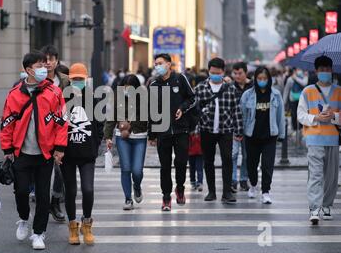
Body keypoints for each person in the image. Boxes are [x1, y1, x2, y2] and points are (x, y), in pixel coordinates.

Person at [0, 52, 68, 250]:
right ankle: (23, 218)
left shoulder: (54, 92)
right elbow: (7, 123)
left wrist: (60, 148)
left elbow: (61, 122)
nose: (44, 68)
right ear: (28, 70)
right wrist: (7, 148)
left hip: (44, 154)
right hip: (21, 153)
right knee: (21, 191)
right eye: (39, 65)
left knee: (42, 195)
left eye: (44, 65)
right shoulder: (15, 94)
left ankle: (39, 233)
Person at [61, 63, 103, 245]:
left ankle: (87, 224)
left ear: (86, 79)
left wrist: (96, 143)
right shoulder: (62, 99)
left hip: (87, 154)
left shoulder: (94, 99)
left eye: (80, 79)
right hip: (67, 154)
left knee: (88, 189)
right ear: (69, 79)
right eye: (74, 78)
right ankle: (72, 227)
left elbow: (101, 124)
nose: (77, 81)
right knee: (70, 191)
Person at [148, 54, 196, 211]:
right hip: (162, 132)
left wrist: (182, 109)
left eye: (160, 63)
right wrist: (152, 135)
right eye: (156, 64)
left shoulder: (180, 79)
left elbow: (192, 99)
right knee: (165, 166)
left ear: (169, 64)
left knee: (181, 162)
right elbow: (151, 111)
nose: (158, 66)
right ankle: (166, 196)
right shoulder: (154, 85)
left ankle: (180, 188)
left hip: (181, 129)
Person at [297, 56, 341, 225]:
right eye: (321, 70)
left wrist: (334, 116)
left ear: (332, 70)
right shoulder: (307, 91)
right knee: (315, 175)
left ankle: (327, 205)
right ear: (316, 71)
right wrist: (316, 117)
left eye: (327, 69)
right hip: (314, 138)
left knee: (331, 176)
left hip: (333, 139)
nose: (325, 72)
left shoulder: (339, 91)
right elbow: (301, 115)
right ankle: (314, 208)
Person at [194, 58, 243, 204]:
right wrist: (195, 128)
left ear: (223, 72)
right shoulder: (201, 88)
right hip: (206, 129)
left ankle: (227, 192)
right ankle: (212, 191)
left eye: (218, 73)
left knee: (227, 159)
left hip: (226, 129)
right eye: (212, 72)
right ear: (209, 71)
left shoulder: (230, 88)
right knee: (208, 161)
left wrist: (239, 130)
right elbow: (194, 110)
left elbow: (237, 111)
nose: (215, 75)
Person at [240, 67, 285, 205]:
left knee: (267, 166)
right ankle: (253, 185)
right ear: (255, 79)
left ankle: (266, 191)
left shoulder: (275, 95)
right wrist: (239, 132)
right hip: (251, 136)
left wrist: (281, 134)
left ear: (269, 79)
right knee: (251, 164)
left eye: (264, 79)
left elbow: (280, 116)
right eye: (259, 79)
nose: (262, 81)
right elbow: (242, 115)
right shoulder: (247, 95)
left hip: (270, 136)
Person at [104, 75, 148, 210]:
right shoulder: (117, 97)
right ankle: (128, 198)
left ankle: (137, 186)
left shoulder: (144, 98)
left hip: (140, 137)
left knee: (137, 171)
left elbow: (146, 118)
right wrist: (108, 136)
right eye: (125, 88)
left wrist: (129, 127)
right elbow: (111, 117)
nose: (127, 91)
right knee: (126, 168)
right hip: (122, 138)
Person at [40, 45, 69, 223]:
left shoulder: (66, 81)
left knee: (60, 171)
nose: (48, 63)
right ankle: (43, 204)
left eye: (51, 59)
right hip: (41, 133)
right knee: (42, 174)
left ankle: (55, 202)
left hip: (61, 130)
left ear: (57, 61)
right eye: (45, 59)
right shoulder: (35, 80)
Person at [230, 62, 252, 193]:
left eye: (240, 73)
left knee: (247, 155)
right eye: (235, 73)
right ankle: (233, 180)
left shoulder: (253, 86)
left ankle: (244, 179)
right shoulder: (230, 87)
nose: (237, 76)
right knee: (233, 154)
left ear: (246, 73)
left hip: (249, 126)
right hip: (233, 125)